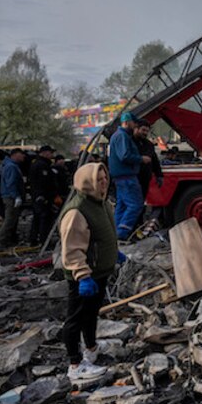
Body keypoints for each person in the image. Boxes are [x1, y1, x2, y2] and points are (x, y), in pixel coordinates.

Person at [58, 162, 126, 383]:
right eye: (99, 179)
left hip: (99, 271)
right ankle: (75, 364)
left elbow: (104, 235)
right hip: (84, 276)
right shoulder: (77, 210)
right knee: (75, 318)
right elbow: (72, 248)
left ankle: (91, 347)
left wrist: (114, 252)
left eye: (105, 177)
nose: (104, 182)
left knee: (91, 314)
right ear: (87, 182)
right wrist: (82, 275)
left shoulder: (102, 203)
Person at [108, 112, 147, 241]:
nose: (135, 125)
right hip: (127, 177)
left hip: (120, 177)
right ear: (127, 122)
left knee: (122, 205)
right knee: (135, 204)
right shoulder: (122, 136)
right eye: (134, 123)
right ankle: (123, 232)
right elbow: (124, 156)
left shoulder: (117, 136)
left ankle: (115, 232)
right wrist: (141, 159)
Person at [0, 148, 27, 248]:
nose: (24, 156)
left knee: (11, 220)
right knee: (10, 220)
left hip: (9, 196)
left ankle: (6, 241)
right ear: (15, 155)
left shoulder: (9, 165)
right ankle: (1, 242)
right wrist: (16, 196)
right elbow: (11, 183)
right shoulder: (11, 167)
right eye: (22, 154)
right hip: (10, 197)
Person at [29, 145, 58, 246]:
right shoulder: (41, 165)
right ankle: (44, 240)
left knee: (37, 218)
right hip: (43, 197)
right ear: (45, 153)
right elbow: (43, 183)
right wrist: (44, 196)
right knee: (44, 218)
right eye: (50, 153)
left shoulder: (40, 164)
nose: (51, 155)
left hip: (39, 196)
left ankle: (34, 239)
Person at [134, 120, 163, 201]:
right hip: (133, 178)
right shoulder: (130, 142)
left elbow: (154, 161)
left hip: (145, 180)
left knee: (140, 203)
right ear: (137, 129)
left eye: (147, 131)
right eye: (143, 130)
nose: (145, 133)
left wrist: (159, 175)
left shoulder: (149, 144)